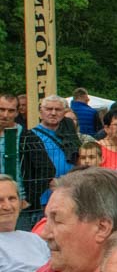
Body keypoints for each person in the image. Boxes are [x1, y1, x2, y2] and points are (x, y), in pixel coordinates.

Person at [19, 94, 79, 229]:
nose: (53, 113)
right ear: (41, 112)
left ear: (64, 112)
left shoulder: (70, 135)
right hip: (43, 198)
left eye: (58, 109)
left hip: (69, 194)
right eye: (49, 109)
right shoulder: (30, 137)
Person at [0, 176, 48, 272]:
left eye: (12, 199)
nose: (7, 206)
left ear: (20, 203)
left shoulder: (34, 239)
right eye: (0, 200)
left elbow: (56, 270)